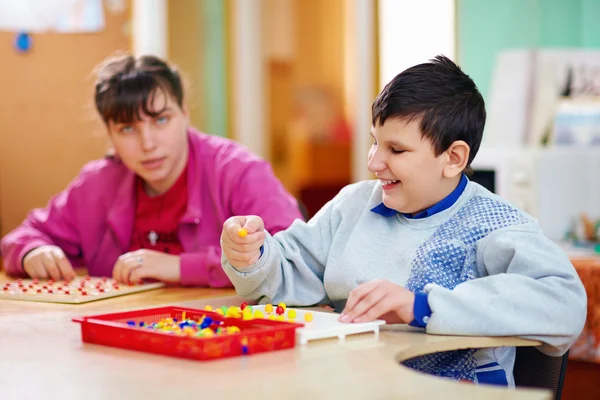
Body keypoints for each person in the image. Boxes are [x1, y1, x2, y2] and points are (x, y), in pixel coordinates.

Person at [219, 55, 587, 385]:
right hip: (353, 384)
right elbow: (285, 274)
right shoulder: (354, 205)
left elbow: (565, 303)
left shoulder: (493, 223)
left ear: (453, 159)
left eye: (396, 149)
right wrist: (252, 255)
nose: (374, 162)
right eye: (375, 142)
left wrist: (421, 306)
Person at [1, 53, 303, 287]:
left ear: (184, 115)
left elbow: (294, 256)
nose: (148, 143)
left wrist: (179, 267)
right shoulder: (96, 184)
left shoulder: (238, 171)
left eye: (161, 120)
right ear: (110, 134)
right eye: (128, 128)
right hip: (122, 343)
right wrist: (32, 253)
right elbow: (23, 237)